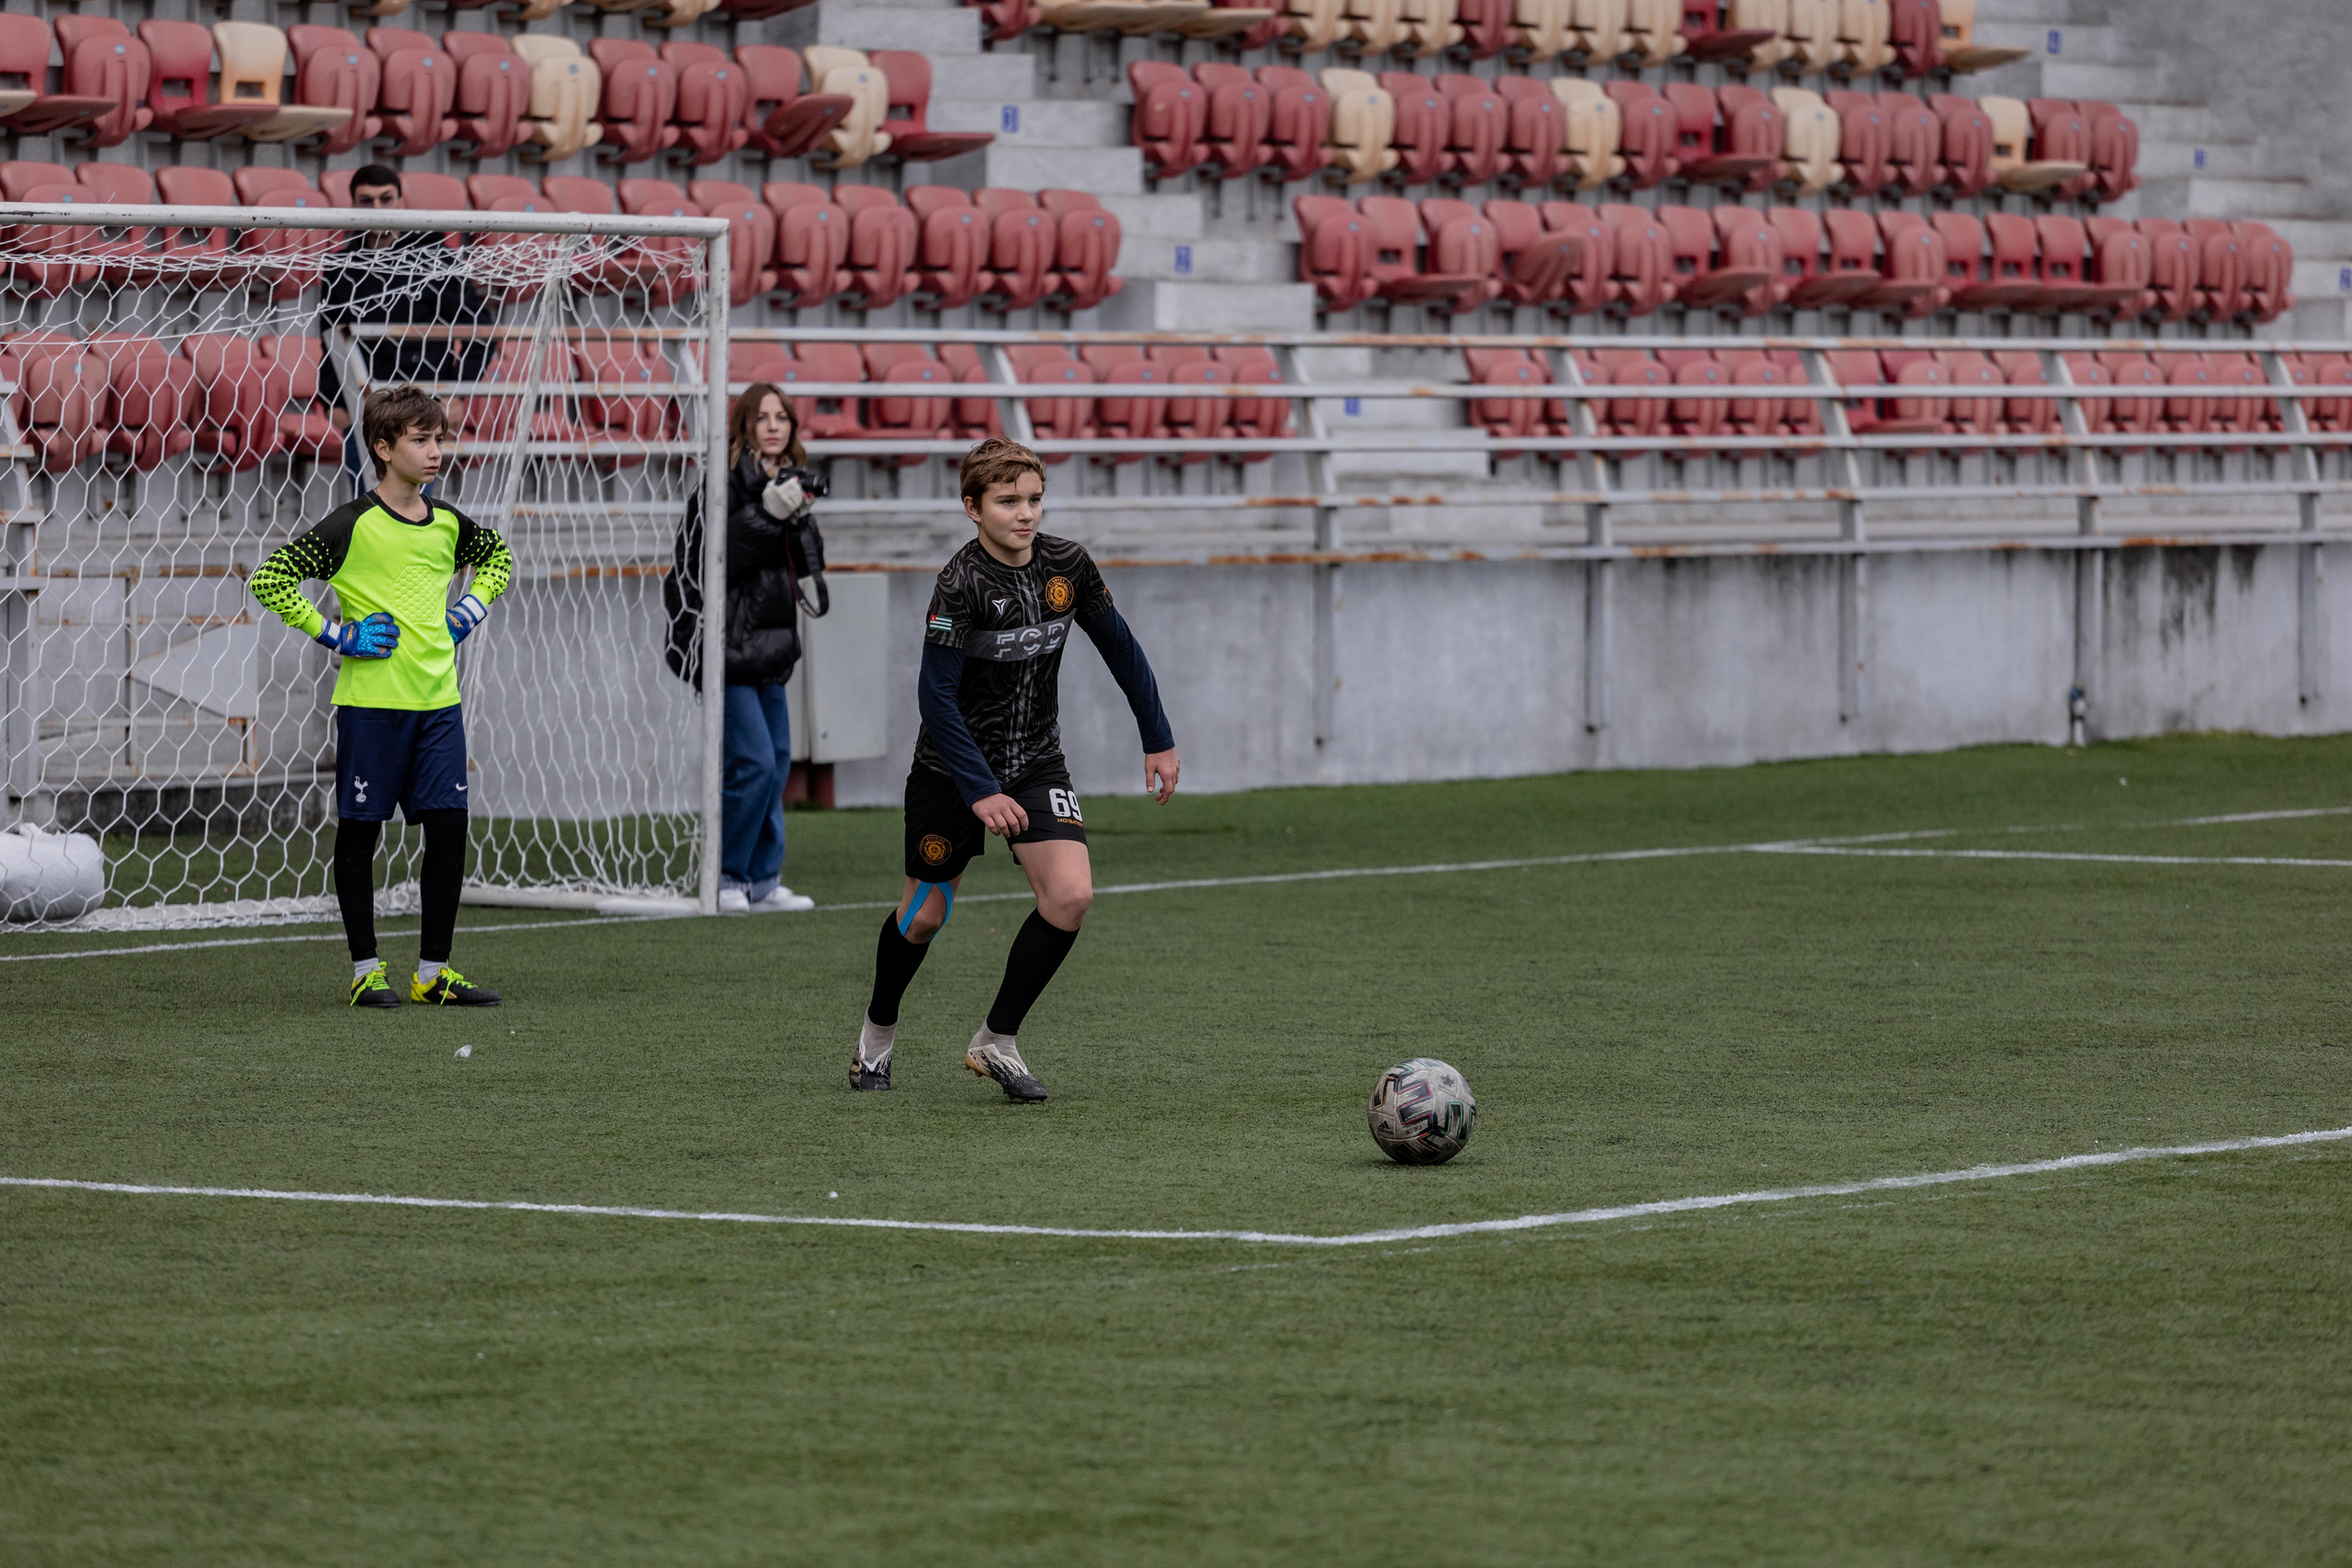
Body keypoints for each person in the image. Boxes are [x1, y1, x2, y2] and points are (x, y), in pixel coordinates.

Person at [854, 437, 1180, 1100]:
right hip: (951, 768)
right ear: (972, 508)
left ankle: (996, 1039)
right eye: (1008, 502)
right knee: (923, 913)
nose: (1025, 513)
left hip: (1036, 759)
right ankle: (875, 1040)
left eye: (1033, 499)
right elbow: (934, 697)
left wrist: (1158, 736)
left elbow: (1121, 647)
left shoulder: (1068, 565)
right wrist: (978, 791)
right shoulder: (959, 582)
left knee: (1071, 896)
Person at [249, 386, 513, 1009]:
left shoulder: (448, 522)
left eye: (439, 438)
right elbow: (270, 578)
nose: (436, 451)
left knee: (449, 832)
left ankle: (431, 973)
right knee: (361, 834)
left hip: (438, 706)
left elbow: (498, 557)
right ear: (384, 447)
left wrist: (467, 610)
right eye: (421, 440)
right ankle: (367, 970)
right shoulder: (352, 524)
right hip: (371, 709)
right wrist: (337, 633)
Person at [664, 384, 825, 915]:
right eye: (764, 417)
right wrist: (769, 512)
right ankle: (726, 874)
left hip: (770, 642)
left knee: (776, 762)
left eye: (783, 417)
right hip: (724, 641)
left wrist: (797, 515)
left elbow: (806, 566)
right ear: (745, 425)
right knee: (752, 762)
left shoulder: (786, 480)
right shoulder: (723, 482)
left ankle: (761, 878)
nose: (775, 425)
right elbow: (715, 559)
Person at [318, 165, 494, 501]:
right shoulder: (341, 264)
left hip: (424, 400)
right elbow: (329, 337)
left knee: (413, 506)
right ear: (353, 205)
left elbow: (480, 328)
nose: (378, 209)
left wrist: (456, 391)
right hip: (365, 406)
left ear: (401, 202)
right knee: (369, 505)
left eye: (386, 199)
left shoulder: (435, 257)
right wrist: (332, 399)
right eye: (366, 201)